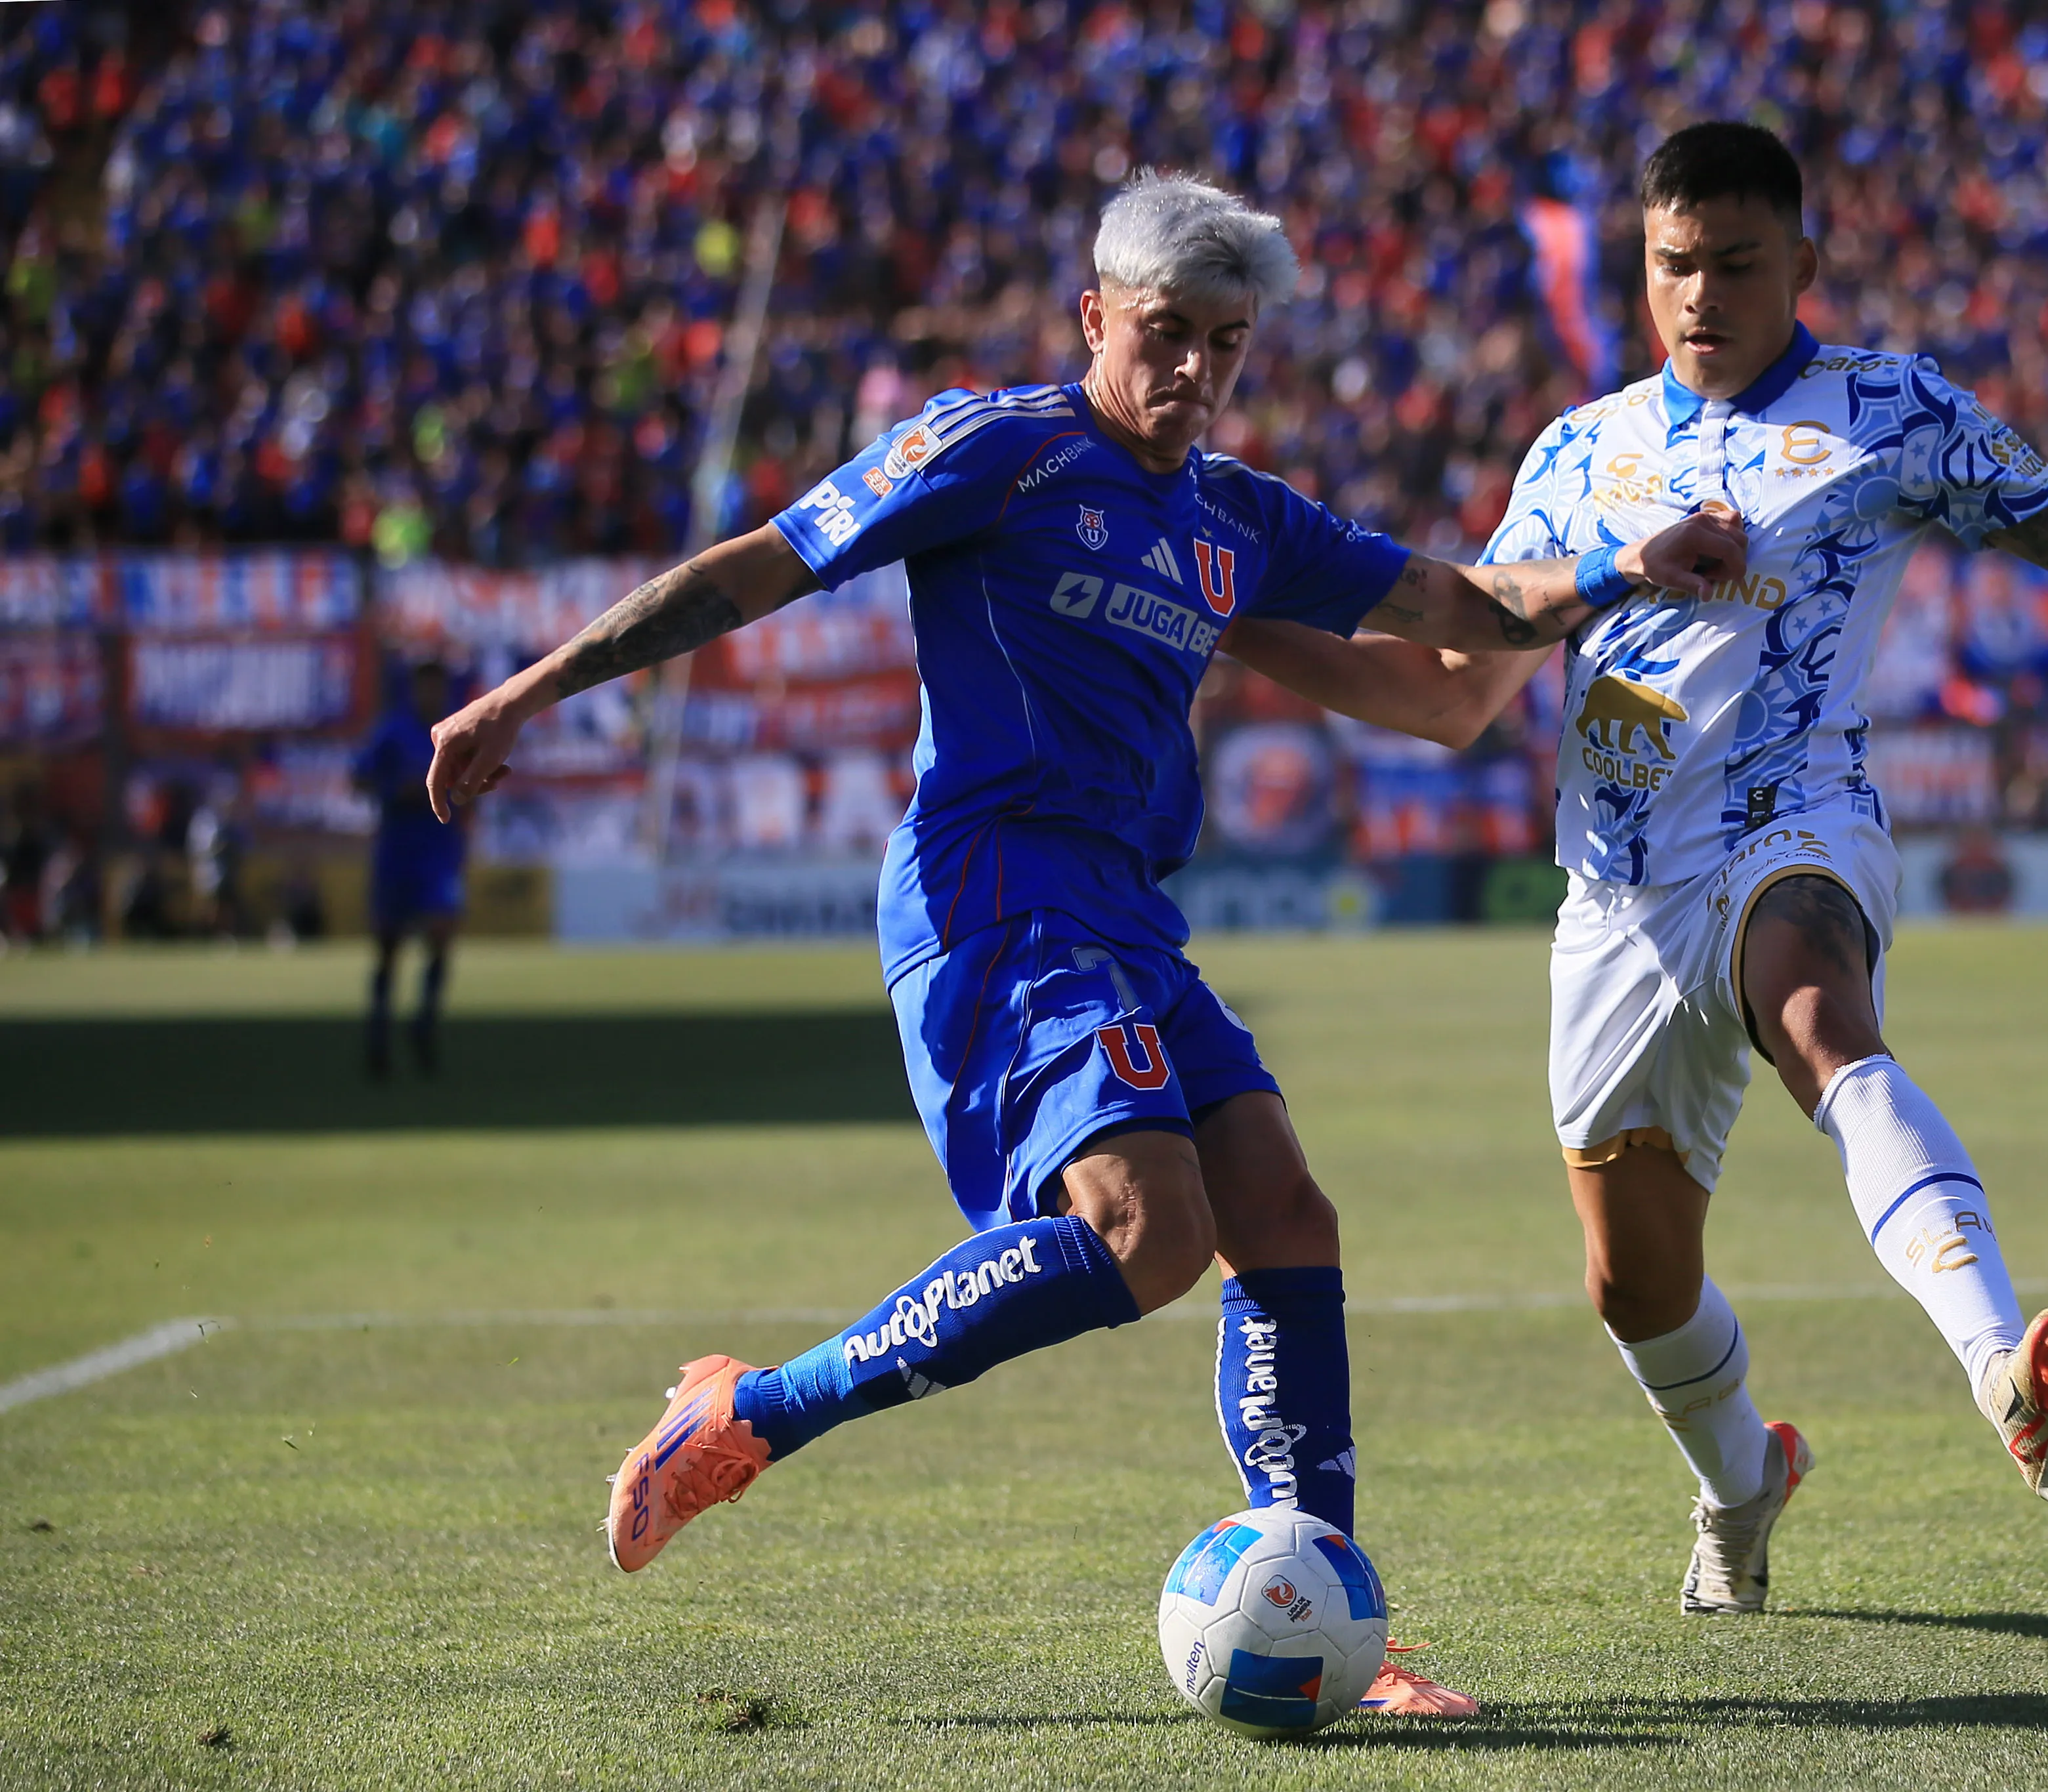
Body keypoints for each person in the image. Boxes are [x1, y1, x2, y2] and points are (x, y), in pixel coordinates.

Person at [422, 172, 1742, 1712]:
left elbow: (1459, 601)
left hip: (1122, 904)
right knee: (1147, 1235)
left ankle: (1319, 1607)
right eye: (1165, 333)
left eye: (1227, 345)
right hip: (992, 891)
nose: (1192, 372)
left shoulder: (1236, 515)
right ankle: (750, 1414)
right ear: (1094, 317)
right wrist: (523, 694)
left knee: (1286, 1218)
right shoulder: (996, 446)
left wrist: (1619, 569)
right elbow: (763, 562)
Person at [1223, 121, 2048, 1614]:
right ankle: (1743, 1479)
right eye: (1676, 264)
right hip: (1612, 897)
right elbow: (1447, 690)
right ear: (1643, 268)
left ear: (1800, 264)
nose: (1701, 294)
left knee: (1817, 1015)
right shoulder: (1576, 452)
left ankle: (2006, 1369)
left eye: (1737, 264)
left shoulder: (1889, 410)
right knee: (1632, 1286)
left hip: (1792, 825)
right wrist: (1222, 622)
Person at [353, 659, 470, 1077]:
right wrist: (395, 790)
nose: (431, 695)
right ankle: (380, 1029)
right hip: (397, 852)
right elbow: (358, 779)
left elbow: (475, 787)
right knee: (389, 947)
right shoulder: (393, 731)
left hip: (439, 854)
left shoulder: (459, 732)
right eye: (425, 687)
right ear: (413, 689)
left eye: (437, 687)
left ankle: (424, 1023)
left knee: (440, 937)